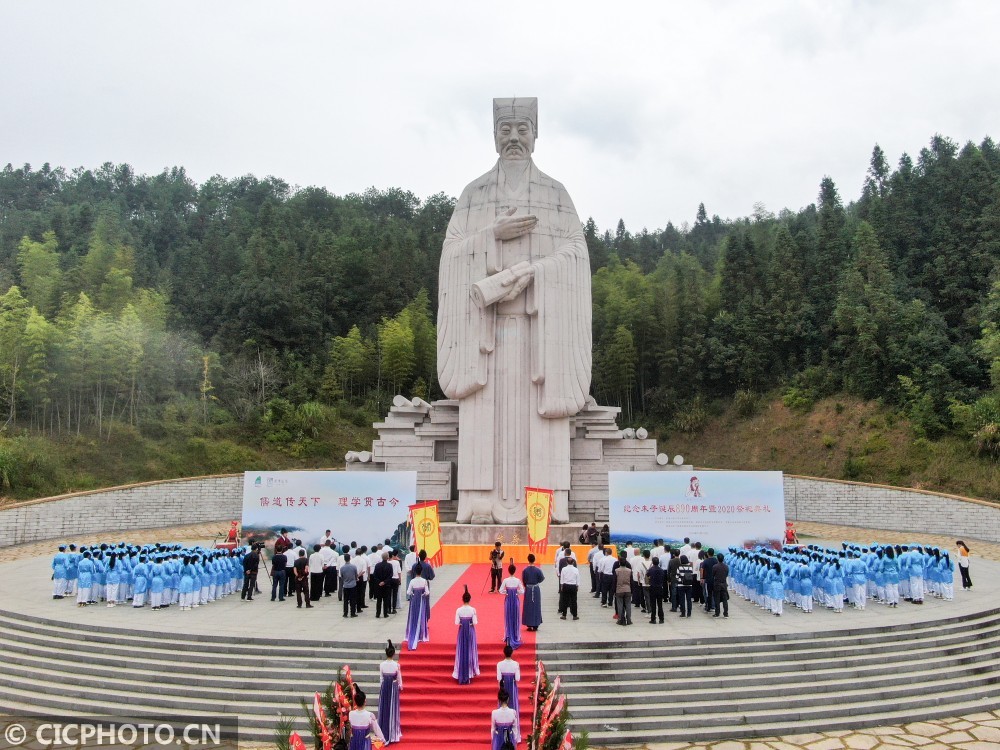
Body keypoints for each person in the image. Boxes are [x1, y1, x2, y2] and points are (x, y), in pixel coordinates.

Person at [437, 97, 591, 526]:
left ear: (536, 135)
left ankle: (546, 504)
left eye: (523, 128)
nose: (514, 137)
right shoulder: (474, 195)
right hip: (485, 338)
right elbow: (451, 256)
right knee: (484, 414)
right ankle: (479, 502)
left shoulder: (555, 195)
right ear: (493, 136)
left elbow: (576, 253)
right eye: (505, 129)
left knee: (541, 419)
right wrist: (491, 235)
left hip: (540, 332)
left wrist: (534, 271)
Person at [454, 586, 480, 684]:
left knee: (462, 650)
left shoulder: (458, 610)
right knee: (470, 650)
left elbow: (457, 622)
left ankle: (460, 672)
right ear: (470, 599)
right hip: (470, 631)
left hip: (462, 632)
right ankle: (470, 672)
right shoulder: (473, 610)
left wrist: (463, 623)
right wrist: (468, 623)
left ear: (462, 599)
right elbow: (475, 622)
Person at [378, 640, 402, 744]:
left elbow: (381, 679)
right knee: (392, 709)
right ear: (394, 653)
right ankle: (392, 733)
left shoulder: (382, 665)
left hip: (384, 688)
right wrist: (400, 686)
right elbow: (399, 678)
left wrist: (382, 688)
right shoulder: (396, 665)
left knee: (385, 709)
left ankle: (383, 731)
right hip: (393, 687)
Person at [405, 565, 431, 649]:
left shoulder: (412, 581)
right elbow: (427, 592)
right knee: (421, 617)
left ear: (415, 571)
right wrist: (422, 594)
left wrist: (413, 594)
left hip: (414, 601)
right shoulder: (424, 581)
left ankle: (412, 632)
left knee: (413, 617)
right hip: (421, 601)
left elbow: (408, 592)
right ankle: (421, 634)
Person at [497, 645, 521, 732]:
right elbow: (517, 678)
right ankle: (514, 732)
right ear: (512, 653)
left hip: (503, 686)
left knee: (502, 706)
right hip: (512, 687)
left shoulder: (499, 664)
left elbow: (499, 678)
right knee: (513, 706)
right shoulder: (516, 664)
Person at [500, 563, 525, 648]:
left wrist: (507, 592)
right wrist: (516, 592)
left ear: (508, 571)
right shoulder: (517, 580)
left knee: (508, 617)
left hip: (508, 600)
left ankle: (507, 635)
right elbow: (522, 591)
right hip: (515, 599)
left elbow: (500, 590)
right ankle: (516, 635)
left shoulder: (505, 580)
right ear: (515, 571)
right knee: (515, 617)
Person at [521, 553, 545, 631]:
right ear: (534, 560)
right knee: (536, 605)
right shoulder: (538, 570)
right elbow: (541, 578)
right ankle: (536, 623)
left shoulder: (525, 570)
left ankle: (529, 623)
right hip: (536, 589)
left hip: (528, 589)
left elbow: (524, 580)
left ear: (528, 560)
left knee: (528, 606)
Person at [372, 552, 394, 619]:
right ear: (388, 558)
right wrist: (384, 582)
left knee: (379, 600)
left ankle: (377, 614)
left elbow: (374, 575)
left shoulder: (377, 565)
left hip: (378, 585)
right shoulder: (390, 565)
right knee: (386, 600)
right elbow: (390, 575)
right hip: (386, 585)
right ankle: (385, 613)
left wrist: (380, 582)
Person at [614, 555, 632, 625]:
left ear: (619, 563)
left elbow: (614, 581)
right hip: (628, 589)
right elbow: (631, 582)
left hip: (619, 590)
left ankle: (621, 619)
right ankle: (629, 619)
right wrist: (632, 591)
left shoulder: (616, 571)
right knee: (628, 605)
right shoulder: (629, 571)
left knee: (620, 605)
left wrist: (614, 591)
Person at [647, 556, 665, 623]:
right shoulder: (661, 570)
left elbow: (647, 574)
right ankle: (661, 619)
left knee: (653, 604)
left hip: (653, 588)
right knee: (660, 604)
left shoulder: (651, 569)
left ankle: (653, 619)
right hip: (660, 587)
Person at [340, 553, 359, 617]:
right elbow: (356, 575)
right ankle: (352, 613)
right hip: (353, 585)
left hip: (345, 585)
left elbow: (342, 576)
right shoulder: (354, 567)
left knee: (345, 600)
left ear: (344, 559)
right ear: (350, 558)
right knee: (353, 600)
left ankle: (345, 613)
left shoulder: (342, 568)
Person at [712, 553, 729, 618]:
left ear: (717, 559)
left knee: (717, 599)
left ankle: (717, 613)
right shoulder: (726, 567)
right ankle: (726, 613)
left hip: (717, 584)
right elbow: (726, 574)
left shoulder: (715, 566)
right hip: (724, 584)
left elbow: (713, 574)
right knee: (725, 600)